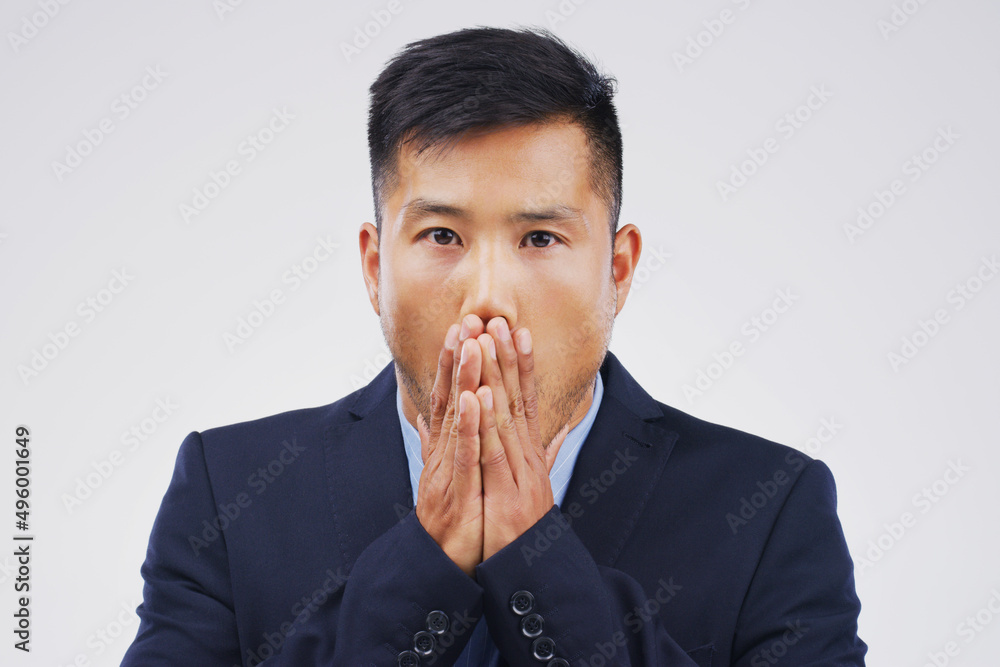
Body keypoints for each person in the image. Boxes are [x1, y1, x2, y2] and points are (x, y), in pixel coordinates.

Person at [121, 25, 866, 666]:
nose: (488, 297)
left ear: (618, 269)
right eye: (442, 235)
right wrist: (423, 562)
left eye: (540, 237)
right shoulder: (228, 492)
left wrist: (538, 559)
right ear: (376, 266)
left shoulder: (771, 508)